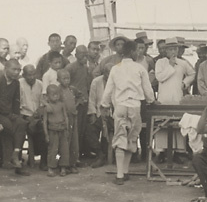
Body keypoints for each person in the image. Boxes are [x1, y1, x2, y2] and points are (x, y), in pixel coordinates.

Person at [101, 40, 155, 185]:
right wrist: (151, 100)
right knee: (132, 137)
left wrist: (105, 104)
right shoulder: (139, 68)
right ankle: (124, 171)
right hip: (135, 106)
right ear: (132, 52)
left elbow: (108, 90)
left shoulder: (115, 69)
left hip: (120, 106)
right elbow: (148, 90)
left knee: (120, 137)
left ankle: (120, 174)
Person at [0, 59, 30, 176]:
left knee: (22, 123)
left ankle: (15, 154)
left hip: (8, 114)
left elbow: (15, 102)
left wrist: (16, 116)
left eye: (19, 70)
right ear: (6, 69)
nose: (17, 72)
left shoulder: (16, 83)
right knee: (10, 127)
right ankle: (8, 159)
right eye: (14, 69)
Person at [66, 45, 90, 160]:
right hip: (74, 103)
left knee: (83, 129)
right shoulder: (70, 67)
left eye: (86, 54)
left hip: (84, 102)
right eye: (82, 54)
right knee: (74, 129)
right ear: (76, 55)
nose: (84, 57)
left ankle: (80, 154)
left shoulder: (85, 68)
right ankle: (73, 156)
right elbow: (65, 84)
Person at [19, 64, 44, 168]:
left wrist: (39, 112)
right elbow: (18, 104)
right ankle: (29, 157)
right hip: (24, 114)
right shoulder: (19, 84)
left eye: (34, 74)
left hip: (37, 115)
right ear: (24, 75)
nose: (32, 77)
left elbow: (43, 102)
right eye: (29, 75)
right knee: (28, 127)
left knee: (43, 129)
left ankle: (44, 160)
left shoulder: (40, 84)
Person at [56, 69, 81, 172]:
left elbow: (80, 97)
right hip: (63, 119)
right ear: (58, 79)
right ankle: (63, 165)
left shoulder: (72, 89)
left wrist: (76, 105)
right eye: (64, 78)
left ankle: (72, 164)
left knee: (74, 142)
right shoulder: (57, 91)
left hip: (73, 118)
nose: (67, 80)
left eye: (68, 78)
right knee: (65, 142)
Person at [43, 84, 69, 177]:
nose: (56, 96)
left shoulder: (61, 105)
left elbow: (65, 116)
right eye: (53, 94)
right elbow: (45, 122)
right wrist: (46, 134)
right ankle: (51, 168)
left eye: (57, 94)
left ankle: (63, 167)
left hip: (62, 130)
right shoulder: (47, 107)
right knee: (53, 150)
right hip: (52, 131)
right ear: (48, 96)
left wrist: (67, 128)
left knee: (63, 149)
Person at [87, 72, 107, 168]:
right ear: (104, 73)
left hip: (113, 114)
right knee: (90, 129)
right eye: (107, 73)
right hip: (99, 112)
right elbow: (92, 99)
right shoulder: (96, 81)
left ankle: (106, 154)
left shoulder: (117, 79)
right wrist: (93, 113)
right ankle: (100, 154)